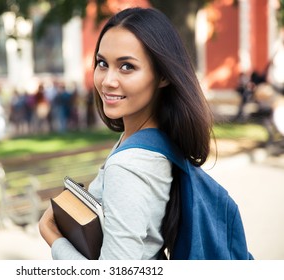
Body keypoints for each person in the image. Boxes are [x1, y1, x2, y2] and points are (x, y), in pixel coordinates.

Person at [39, 7, 213, 260]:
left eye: (127, 67)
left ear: (163, 75)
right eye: (102, 63)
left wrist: (52, 236)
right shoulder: (154, 138)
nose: (108, 80)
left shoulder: (129, 165)